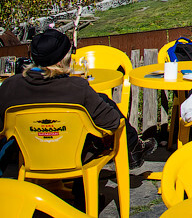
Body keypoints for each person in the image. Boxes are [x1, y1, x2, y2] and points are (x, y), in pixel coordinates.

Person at [0, 29, 156, 168]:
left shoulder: (9, 86)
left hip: (29, 157)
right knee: (99, 108)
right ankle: (133, 148)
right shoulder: (76, 87)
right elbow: (113, 122)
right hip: (73, 156)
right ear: (61, 61)